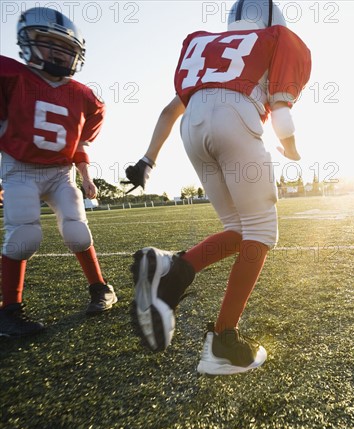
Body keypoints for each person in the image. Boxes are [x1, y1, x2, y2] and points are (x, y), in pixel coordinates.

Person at [125, 0, 311, 375]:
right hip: (236, 117)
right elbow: (283, 115)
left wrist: (147, 160)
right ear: (274, 21)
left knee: (239, 229)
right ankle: (224, 341)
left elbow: (168, 111)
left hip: (191, 129)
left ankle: (172, 269)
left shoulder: (207, 47)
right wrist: (290, 149)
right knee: (262, 229)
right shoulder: (275, 39)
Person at [0, 7, 117, 337]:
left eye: (66, 47)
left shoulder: (83, 95)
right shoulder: (10, 75)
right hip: (20, 168)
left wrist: (86, 175)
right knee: (24, 237)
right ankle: (9, 309)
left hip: (60, 172)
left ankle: (101, 288)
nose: (59, 53)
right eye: (50, 44)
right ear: (28, 42)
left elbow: (78, 140)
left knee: (78, 232)